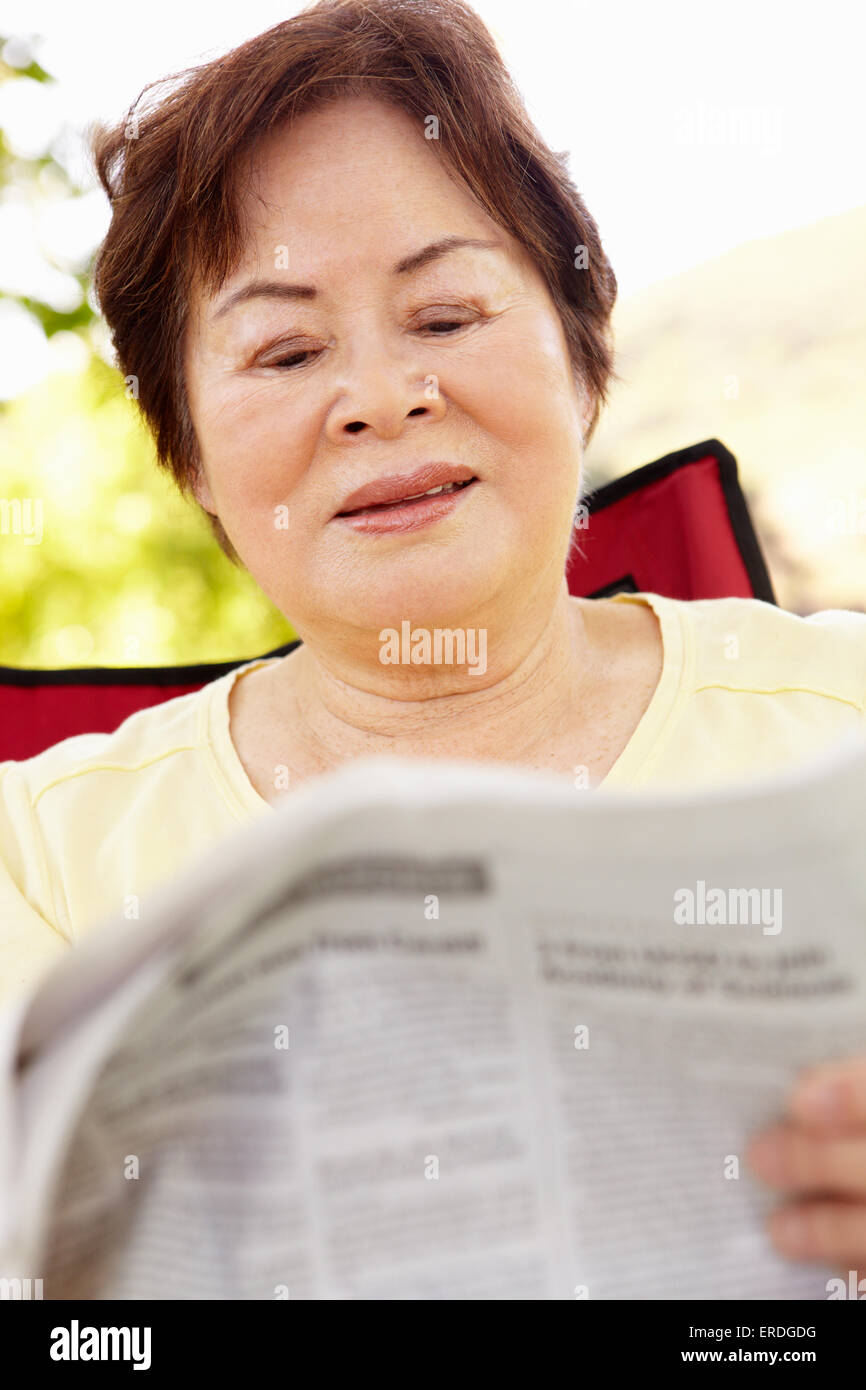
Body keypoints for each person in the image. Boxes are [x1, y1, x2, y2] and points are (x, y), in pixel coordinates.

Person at [1, 0, 865, 1281]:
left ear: (581, 358)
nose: (381, 398)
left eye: (446, 316)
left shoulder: (835, 720)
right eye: (286, 348)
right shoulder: (44, 858)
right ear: (189, 457)